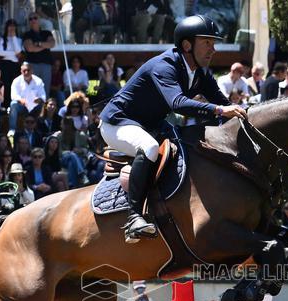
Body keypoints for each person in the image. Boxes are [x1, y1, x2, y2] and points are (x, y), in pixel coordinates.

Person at [99, 15, 243, 243]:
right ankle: (134, 219)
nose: (213, 49)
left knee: (188, 143)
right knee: (149, 147)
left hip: (151, 124)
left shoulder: (201, 72)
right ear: (187, 45)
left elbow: (224, 103)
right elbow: (178, 104)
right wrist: (218, 111)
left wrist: (245, 114)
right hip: (117, 122)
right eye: (207, 43)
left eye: (213, 44)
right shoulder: (164, 66)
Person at [9, 62, 46, 137]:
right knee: (13, 104)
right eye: (24, 70)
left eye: (28, 70)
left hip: (35, 106)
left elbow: (43, 95)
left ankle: (41, 129)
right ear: (21, 71)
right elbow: (13, 95)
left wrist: (39, 99)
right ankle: (12, 129)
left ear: (32, 71)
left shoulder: (38, 81)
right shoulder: (16, 81)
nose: (26, 72)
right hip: (22, 106)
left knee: (43, 105)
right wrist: (20, 100)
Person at [21, 13, 55, 87]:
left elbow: (52, 44)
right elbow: (30, 48)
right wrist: (45, 45)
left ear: (39, 20)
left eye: (35, 18)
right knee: (32, 88)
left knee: (45, 88)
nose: (33, 20)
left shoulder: (47, 33)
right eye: (30, 19)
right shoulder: (27, 34)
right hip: (32, 65)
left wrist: (38, 44)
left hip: (46, 65)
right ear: (29, 22)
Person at [0, 19, 23, 107]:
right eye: (10, 26)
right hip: (4, 65)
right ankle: (4, 105)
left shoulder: (18, 40)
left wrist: (14, 37)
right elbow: (1, 52)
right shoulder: (1, 39)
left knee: (13, 85)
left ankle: (12, 105)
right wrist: (13, 54)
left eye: (13, 26)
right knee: (5, 85)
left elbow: (19, 52)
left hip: (15, 65)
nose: (11, 28)